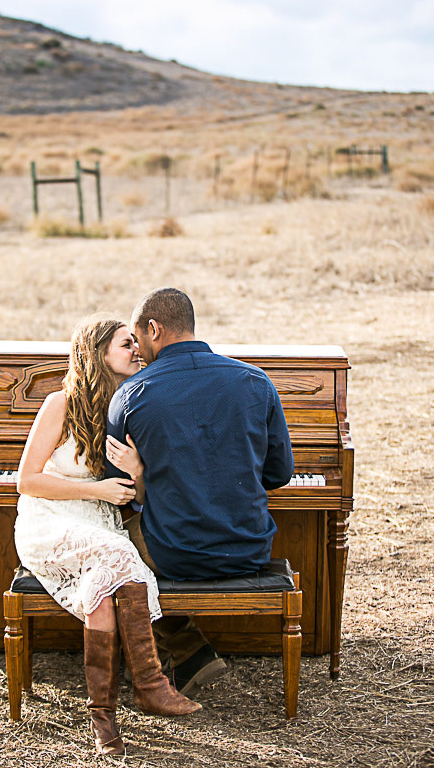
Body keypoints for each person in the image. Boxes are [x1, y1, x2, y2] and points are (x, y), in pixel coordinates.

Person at [14, 318, 200, 759]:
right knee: (123, 556)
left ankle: (104, 721)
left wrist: (137, 472)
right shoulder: (60, 404)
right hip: (50, 520)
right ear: (98, 353)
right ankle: (151, 683)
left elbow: (133, 495)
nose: (137, 350)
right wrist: (95, 489)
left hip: (99, 525)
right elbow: (27, 480)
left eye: (137, 342)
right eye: (126, 344)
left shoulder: (127, 407)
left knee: (103, 584)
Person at [105, 287, 294, 697]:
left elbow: (118, 489)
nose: (138, 351)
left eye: (138, 339)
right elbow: (280, 473)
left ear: (154, 329)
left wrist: (146, 477)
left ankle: (180, 652)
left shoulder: (130, 395)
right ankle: (185, 654)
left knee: (111, 548)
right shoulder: (256, 382)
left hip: (175, 555)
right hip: (250, 549)